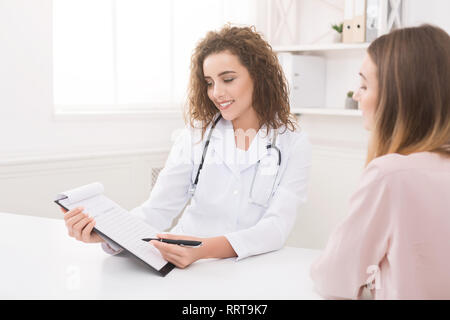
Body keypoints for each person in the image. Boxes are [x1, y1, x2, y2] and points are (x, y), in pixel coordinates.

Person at [62, 25, 312, 269]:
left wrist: (204, 249)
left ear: (259, 77)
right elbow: (158, 209)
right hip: (186, 265)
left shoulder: (292, 142)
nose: (216, 92)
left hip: (249, 265)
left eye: (228, 79)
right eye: (210, 82)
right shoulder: (196, 135)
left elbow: (276, 227)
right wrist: (108, 235)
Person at [310, 24, 450, 299]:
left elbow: (334, 278)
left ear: (400, 97)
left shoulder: (390, 176)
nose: (356, 95)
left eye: (364, 84)